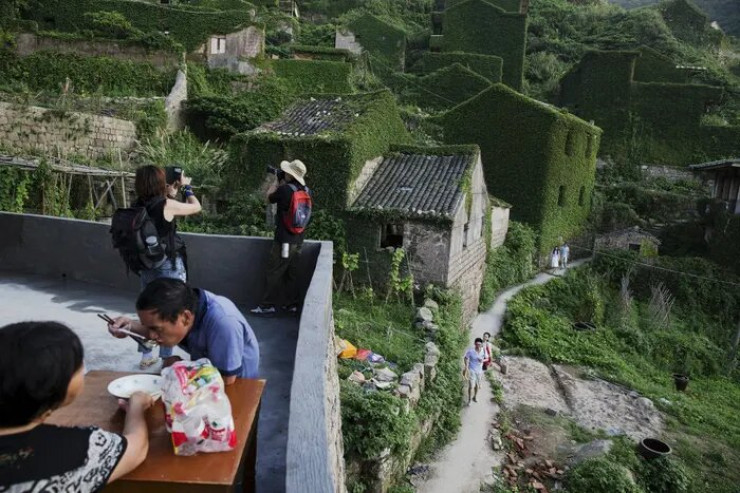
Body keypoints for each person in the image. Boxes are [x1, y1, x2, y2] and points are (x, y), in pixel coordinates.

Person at [0, 322, 153, 492]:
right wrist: (137, 407)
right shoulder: (79, 451)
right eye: (79, 364)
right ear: (60, 384)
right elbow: (136, 449)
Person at [107, 278, 259, 384]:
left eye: (156, 329)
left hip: (238, 389)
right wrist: (130, 327)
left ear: (185, 317)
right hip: (210, 380)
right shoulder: (187, 307)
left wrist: (183, 368)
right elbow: (160, 331)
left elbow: (227, 380)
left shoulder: (223, 324)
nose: (152, 336)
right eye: (148, 327)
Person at [133, 165, 202, 368]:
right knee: (170, 312)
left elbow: (156, 216)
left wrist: (171, 193)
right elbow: (196, 207)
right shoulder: (166, 205)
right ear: (159, 183)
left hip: (147, 265)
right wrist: (187, 188)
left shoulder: (137, 205)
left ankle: (146, 356)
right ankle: (166, 358)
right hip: (168, 266)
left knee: (149, 310)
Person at [251, 160, 311, 316]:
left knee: (274, 271)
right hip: (299, 240)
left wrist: (277, 181)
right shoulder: (307, 190)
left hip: (284, 241)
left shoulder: (285, 190)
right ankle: (291, 305)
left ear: (290, 174)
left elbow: (268, 198)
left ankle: (267, 305)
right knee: (292, 273)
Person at [463, 338, 486, 405]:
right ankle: (469, 400)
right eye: (477, 344)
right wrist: (466, 366)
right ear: (474, 344)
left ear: (481, 344)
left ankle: (475, 397)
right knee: (471, 386)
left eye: (479, 344)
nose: (478, 346)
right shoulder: (471, 351)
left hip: (479, 371)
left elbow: (487, 358)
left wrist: (482, 360)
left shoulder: (483, 350)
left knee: (477, 386)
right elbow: (466, 358)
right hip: (472, 370)